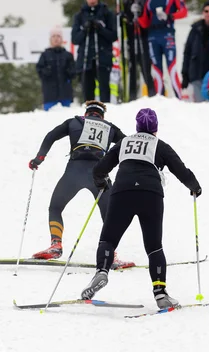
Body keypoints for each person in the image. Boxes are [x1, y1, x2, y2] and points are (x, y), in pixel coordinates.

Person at [81, 108, 202, 309]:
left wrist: (101, 182)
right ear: (155, 128)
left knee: (108, 239)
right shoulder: (160, 146)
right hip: (150, 194)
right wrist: (194, 187)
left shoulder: (124, 143)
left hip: (122, 192)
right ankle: (160, 293)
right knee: (154, 246)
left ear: (137, 127)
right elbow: (180, 170)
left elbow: (99, 169)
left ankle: (102, 271)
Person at [28, 100, 134, 269]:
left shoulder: (75, 122)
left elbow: (51, 136)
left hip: (74, 172)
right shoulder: (110, 127)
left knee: (55, 207)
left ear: (87, 113)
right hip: (99, 174)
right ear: (102, 115)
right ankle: (110, 254)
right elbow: (128, 145)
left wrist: (39, 158)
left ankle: (56, 244)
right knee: (110, 216)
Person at [137, 0, 188, 98]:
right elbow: (144, 23)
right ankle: (159, 100)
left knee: (171, 68)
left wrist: (171, 16)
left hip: (167, 35)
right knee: (157, 71)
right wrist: (137, 13)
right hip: (152, 37)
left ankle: (179, 98)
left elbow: (184, 11)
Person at [71, 0, 117, 103]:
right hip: (85, 61)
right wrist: (84, 29)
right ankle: (89, 117)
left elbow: (113, 36)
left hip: (102, 58)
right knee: (87, 92)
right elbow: (75, 39)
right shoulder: (80, 15)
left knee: (104, 90)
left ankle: (106, 114)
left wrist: (101, 28)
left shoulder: (106, 13)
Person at [122, 0, 153, 99]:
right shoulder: (125, 2)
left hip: (143, 37)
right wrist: (123, 17)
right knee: (132, 69)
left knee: (145, 66)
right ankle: (132, 96)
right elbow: (124, 21)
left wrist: (139, 13)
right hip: (131, 39)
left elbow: (148, 19)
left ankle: (152, 92)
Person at [36, 26, 76, 111]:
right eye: (53, 36)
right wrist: (46, 71)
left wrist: (69, 72)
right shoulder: (45, 55)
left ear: (62, 39)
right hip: (50, 96)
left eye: (58, 36)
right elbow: (39, 71)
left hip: (65, 95)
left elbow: (74, 72)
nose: (56, 39)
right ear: (50, 39)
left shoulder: (68, 55)